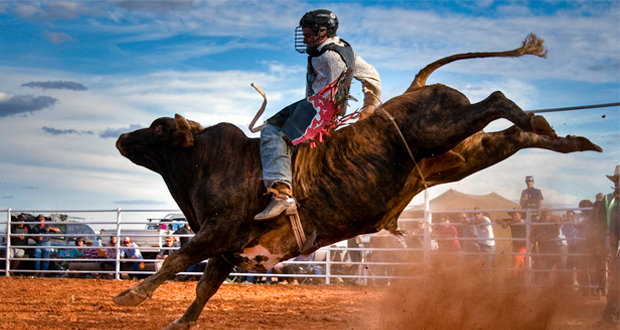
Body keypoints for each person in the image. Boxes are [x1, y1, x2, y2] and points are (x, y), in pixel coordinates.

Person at [254, 9, 382, 221]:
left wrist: (367, 111)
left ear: (322, 31)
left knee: (271, 132)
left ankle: (282, 195)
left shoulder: (329, 57)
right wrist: (368, 108)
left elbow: (323, 98)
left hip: (318, 113)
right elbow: (373, 77)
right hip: (320, 109)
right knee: (275, 123)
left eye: (307, 35)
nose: (304, 39)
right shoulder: (345, 50)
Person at [596, 167, 620, 328]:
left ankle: (612, 314)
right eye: (617, 180)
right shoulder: (611, 200)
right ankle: (612, 314)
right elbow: (614, 224)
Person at [532, 210, 567, 286]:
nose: (545, 217)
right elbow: (532, 236)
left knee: (561, 269)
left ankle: (563, 288)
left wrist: (543, 237)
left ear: (550, 215)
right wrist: (536, 238)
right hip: (547, 250)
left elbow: (556, 233)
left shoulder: (554, 222)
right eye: (544, 215)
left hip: (558, 248)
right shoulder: (538, 224)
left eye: (547, 215)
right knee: (544, 269)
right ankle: (546, 288)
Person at [498, 208, 528, 281]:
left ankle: (516, 278)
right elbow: (497, 220)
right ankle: (519, 279)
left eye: (515, 214)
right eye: (512, 215)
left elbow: (519, 221)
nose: (514, 216)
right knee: (517, 262)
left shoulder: (524, 221)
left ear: (520, 215)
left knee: (517, 262)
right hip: (515, 246)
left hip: (523, 246)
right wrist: (502, 223)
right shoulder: (512, 221)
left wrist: (507, 224)